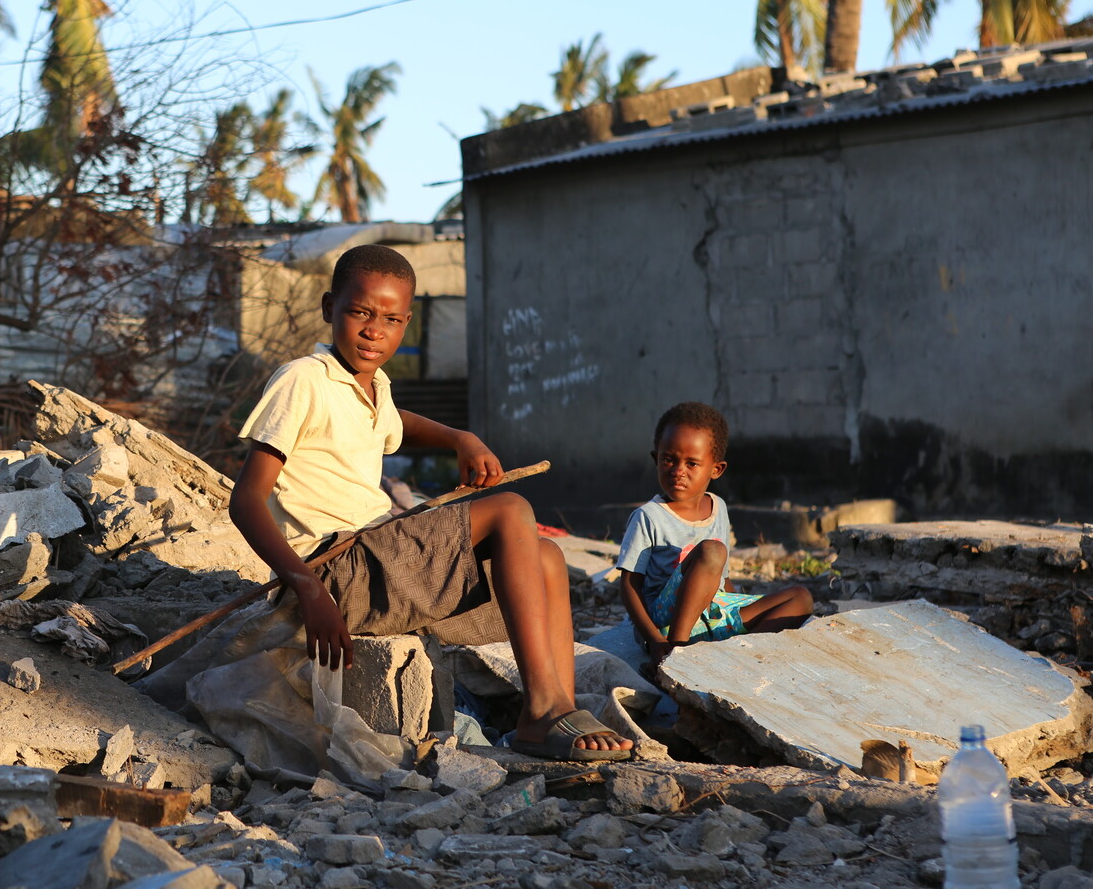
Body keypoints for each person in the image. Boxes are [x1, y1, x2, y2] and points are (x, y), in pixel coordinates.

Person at [229, 244, 632, 761]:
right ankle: (544, 709)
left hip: (377, 567)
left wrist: (459, 437)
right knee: (510, 510)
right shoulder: (304, 379)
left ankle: (553, 711)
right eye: (360, 313)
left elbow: (400, 424)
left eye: (392, 319)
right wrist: (308, 588)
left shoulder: (372, 387)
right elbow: (246, 500)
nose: (375, 330)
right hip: (337, 569)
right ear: (330, 307)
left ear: (407, 323)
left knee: (547, 557)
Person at [617, 402, 813, 671]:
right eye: (668, 460)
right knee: (712, 551)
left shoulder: (718, 507)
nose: (678, 471)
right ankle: (676, 656)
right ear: (656, 459)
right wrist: (654, 641)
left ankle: (737, 657)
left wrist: (736, 610)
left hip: (711, 612)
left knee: (800, 597)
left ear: (716, 469)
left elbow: (723, 578)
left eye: (692, 463)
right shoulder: (649, 516)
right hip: (665, 621)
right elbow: (629, 586)